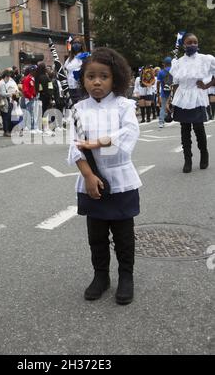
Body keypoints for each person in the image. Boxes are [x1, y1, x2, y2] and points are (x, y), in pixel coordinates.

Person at [68, 47, 142, 305]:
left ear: (115, 78)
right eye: (90, 77)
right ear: (83, 79)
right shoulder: (78, 109)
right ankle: (101, 276)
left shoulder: (124, 106)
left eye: (103, 76)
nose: (97, 82)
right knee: (96, 235)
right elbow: (74, 147)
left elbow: (130, 135)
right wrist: (88, 176)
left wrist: (98, 142)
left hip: (121, 180)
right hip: (91, 181)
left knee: (123, 234)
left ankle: (126, 276)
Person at [170, 33, 215, 173]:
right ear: (184, 44)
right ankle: (187, 159)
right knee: (185, 129)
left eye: (195, 42)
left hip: (197, 95)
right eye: (189, 42)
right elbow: (175, 83)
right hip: (182, 97)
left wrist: (207, 86)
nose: (193, 45)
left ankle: (204, 154)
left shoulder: (205, 59)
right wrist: (172, 101)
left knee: (198, 127)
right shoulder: (178, 62)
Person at [64, 36, 86, 105]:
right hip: (70, 88)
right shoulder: (70, 58)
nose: (76, 45)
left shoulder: (84, 56)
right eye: (74, 43)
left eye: (78, 43)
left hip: (79, 88)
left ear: (82, 45)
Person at [157, 57, 173, 128]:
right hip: (173, 91)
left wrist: (158, 91)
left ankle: (161, 122)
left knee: (163, 107)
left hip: (164, 91)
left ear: (164, 64)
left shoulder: (161, 72)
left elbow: (158, 82)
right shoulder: (174, 70)